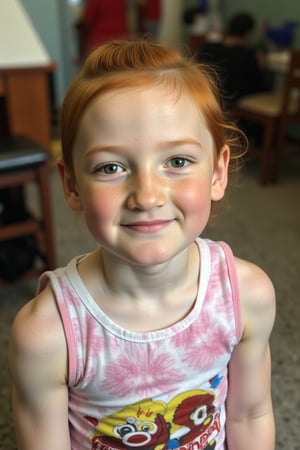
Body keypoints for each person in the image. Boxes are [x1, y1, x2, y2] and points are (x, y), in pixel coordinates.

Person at [9, 39, 276, 450]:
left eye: (177, 162)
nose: (147, 195)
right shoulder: (49, 334)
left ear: (218, 173)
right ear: (71, 185)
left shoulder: (247, 295)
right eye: (111, 167)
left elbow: (250, 414)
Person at [198, 12, 268, 106]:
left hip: (208, 98)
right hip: (235, 101)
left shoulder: (209, 48)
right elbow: (260, 85)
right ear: (247, 34)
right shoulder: (247, 55)